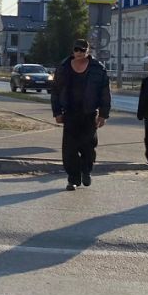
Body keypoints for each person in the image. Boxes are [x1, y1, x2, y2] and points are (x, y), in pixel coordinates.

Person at [51, 39, 111, 190]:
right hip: (70, 113)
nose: (79, 52)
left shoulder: (97, 68)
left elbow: (105, 93)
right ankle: (73, 179)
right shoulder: (64, 67)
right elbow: (56, 91)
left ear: (87, 51)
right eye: (77, 49)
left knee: (88, 147)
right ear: (73, 51)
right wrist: (57, 112)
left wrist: (103, 115)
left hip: (89, 114)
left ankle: (86, 171)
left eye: (82, 50)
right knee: (69, 150)